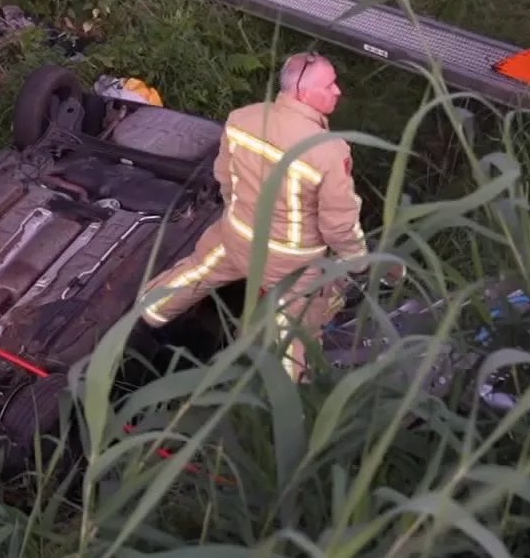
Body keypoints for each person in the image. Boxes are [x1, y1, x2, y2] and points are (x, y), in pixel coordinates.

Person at [135, 52, 389, 379]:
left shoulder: (242, 119)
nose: (338, 91)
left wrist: (237, 215)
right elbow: (337, 223)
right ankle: (288, 394)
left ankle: (144, 315)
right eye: (329, 85)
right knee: (294, 328)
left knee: (197, 271)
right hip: (290, 263)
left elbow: (224, 177)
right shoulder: (329, 151)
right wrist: (357, 259)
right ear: (303, 93)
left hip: (236, 237)